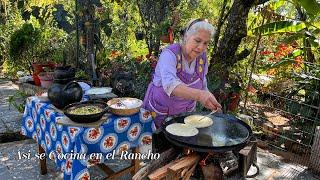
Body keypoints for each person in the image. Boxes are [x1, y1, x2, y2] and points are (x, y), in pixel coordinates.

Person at [143, 18, 222, 129]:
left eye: (205, 43)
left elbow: (202, 85)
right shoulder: (170, 54)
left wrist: (207, 98)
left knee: (182, 143)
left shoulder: (202, 58)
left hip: (185, 116)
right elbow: (170, 86)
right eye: (197, 41)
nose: (201, 47)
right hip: (160, 114)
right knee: (158, 144)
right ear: (186, 37)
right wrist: (200, 95)